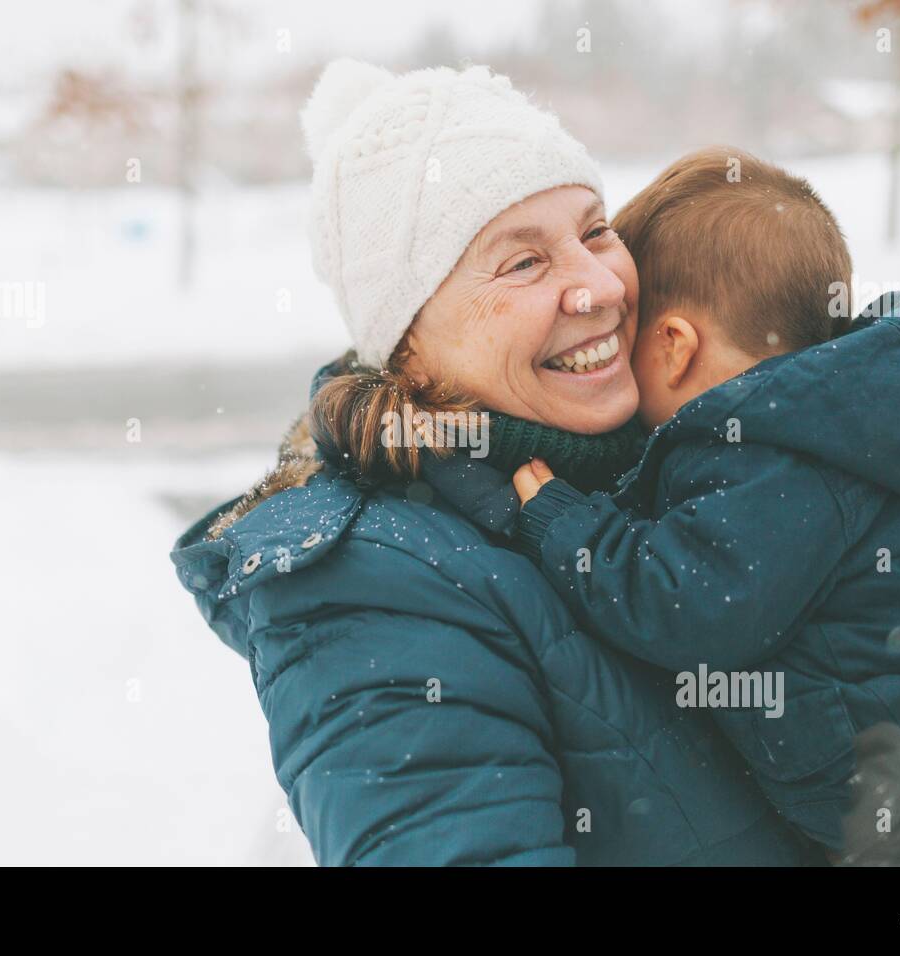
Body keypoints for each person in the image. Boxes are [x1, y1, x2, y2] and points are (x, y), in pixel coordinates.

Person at [171, 61, 821, 865]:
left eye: (594, 231)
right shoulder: (369, 596)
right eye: (523, 263)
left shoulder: (687, 448)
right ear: (407, 346)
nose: (598, 288)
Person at [507, 147, 900, 861]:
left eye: (629, 339)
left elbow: (692, 605)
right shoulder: (843, 414)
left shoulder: (760, 455)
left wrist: (571, 527)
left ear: (675, 345)